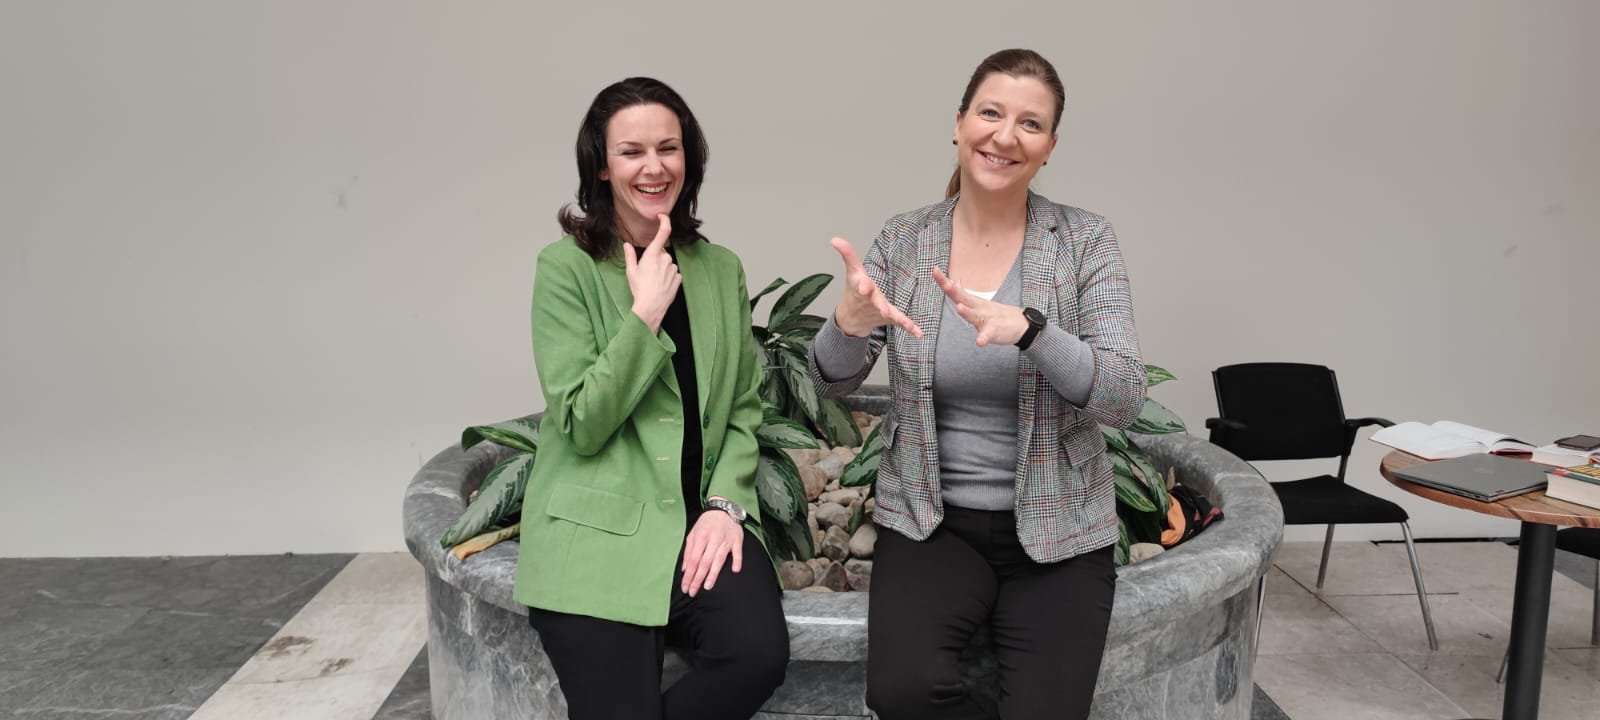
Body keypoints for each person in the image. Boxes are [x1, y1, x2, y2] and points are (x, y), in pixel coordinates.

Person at [809, 49, 1146, 720]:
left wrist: (1033, 332)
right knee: (902, 693)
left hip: (1059, 530)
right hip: (933, 525)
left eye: (1030, 123)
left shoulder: (1084, 241)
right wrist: (847, 323)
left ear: (1049, 147)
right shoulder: (905, 240)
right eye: (991, 113)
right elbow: (831, 382)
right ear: (959, 123)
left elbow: (1123, 395)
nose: (1005, 136)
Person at [513, 76, 788, 720]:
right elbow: (581, 422)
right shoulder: (566, 268)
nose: (654, 167)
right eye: (631, 151)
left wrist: (725, 505)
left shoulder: (719, 268)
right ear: (602, 167)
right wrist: (645, 316)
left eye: (668, 148)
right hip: (598, 532)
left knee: (755, 656)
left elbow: (741, 407)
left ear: (688, 158)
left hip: (700, 525)